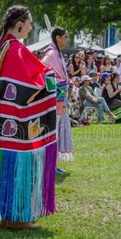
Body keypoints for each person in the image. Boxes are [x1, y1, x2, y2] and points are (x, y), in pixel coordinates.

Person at [0, 5, 57, 229]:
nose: (31, 27)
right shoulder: (15, 49)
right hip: (16, 122)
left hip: (2, 123)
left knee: (7, 166)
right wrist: (54, 77)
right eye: (29, 23)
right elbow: (39, 79)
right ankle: (16, 217)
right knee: (18, 166)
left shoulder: (2, 46)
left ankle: (7, 213)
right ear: (19, 23)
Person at [41, 27, 74, 161]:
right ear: (58, 38)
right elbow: (42, 68)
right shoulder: (52, 53)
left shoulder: (57, 53)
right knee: (52, 130)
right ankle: (49, 161)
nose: (67, 40)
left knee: (57, 130)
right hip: (55, 96)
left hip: (60, 97)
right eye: (65, 37)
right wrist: (59, 82)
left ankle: (53, 161)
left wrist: (66, 81)